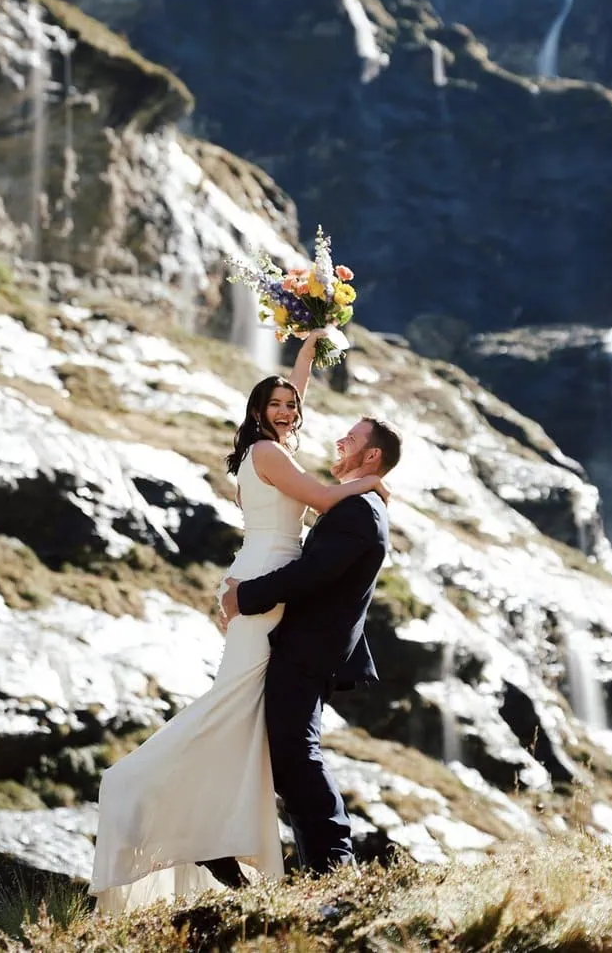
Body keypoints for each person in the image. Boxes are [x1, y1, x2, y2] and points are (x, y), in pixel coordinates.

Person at [89, 326, 391, 911]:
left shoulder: (273, 447)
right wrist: (375, 481)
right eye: (274, 405)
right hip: (266, 583)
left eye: (291, 405)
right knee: (235, 704)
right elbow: (327, 499)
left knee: (247, 712)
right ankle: (151, 799)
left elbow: (293, 399)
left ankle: (208, 831)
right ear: (256, 413)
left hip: (265, 574)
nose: (286, 410)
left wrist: (306, 353)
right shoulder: (267, 453)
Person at [220, 413, 400, 876]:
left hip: (309, 649)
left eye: (353, 439)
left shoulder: (360, 510)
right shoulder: (359, 505)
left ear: (372, 455)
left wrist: (246, 596)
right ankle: (323, 866)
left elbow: (311, 574)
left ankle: (334, 867)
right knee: (290, 757)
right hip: (309, 645)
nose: (340, 441)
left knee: (297, 757)